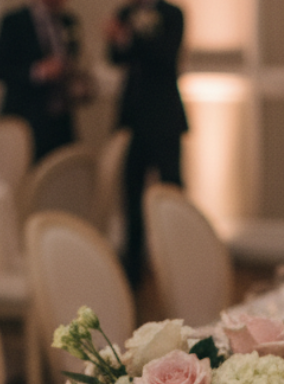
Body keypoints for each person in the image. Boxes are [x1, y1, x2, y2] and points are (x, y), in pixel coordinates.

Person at [105, 0, 188, 287]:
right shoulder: (124, 13)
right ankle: (133, 273)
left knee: (172, 193)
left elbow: (166, 57)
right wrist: (116, 40)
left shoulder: (172, 14)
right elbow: (115, 58)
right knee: (131, 200)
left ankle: (179, 264)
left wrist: (131, 38)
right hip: (134, 119)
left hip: (165, 118)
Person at [0, 0, 93, 163]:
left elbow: (75, 59)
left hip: (60, 119)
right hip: (27, 118)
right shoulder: (14, 21)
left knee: (62, 173)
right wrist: (38, 72)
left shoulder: (68, 21)